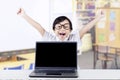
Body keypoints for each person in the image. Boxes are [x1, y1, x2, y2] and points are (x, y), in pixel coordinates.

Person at [17, 8, 104, 50]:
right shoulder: (49, 39)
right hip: (52, 71)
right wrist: (24, 15)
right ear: (54, 30)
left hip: (71, 71)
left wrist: (99, 17)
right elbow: (39, 27)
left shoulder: (74, 38)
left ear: (70, 30)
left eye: (65, 27)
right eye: (59, 27)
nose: (62, 29)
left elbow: (86, 28)